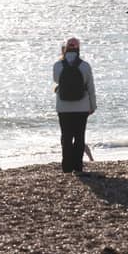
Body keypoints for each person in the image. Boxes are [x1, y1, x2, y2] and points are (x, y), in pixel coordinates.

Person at [53, 37, 97, 173]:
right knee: (79, 137)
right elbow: (90, 87)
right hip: (81, 106)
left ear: (66, 48)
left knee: (66, 137)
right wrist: (92, 106)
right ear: (78, 49)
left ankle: (66, 167)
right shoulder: (85, 66)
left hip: (63, 107)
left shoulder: (58, 65)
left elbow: (56, 79)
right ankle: (77, 166)